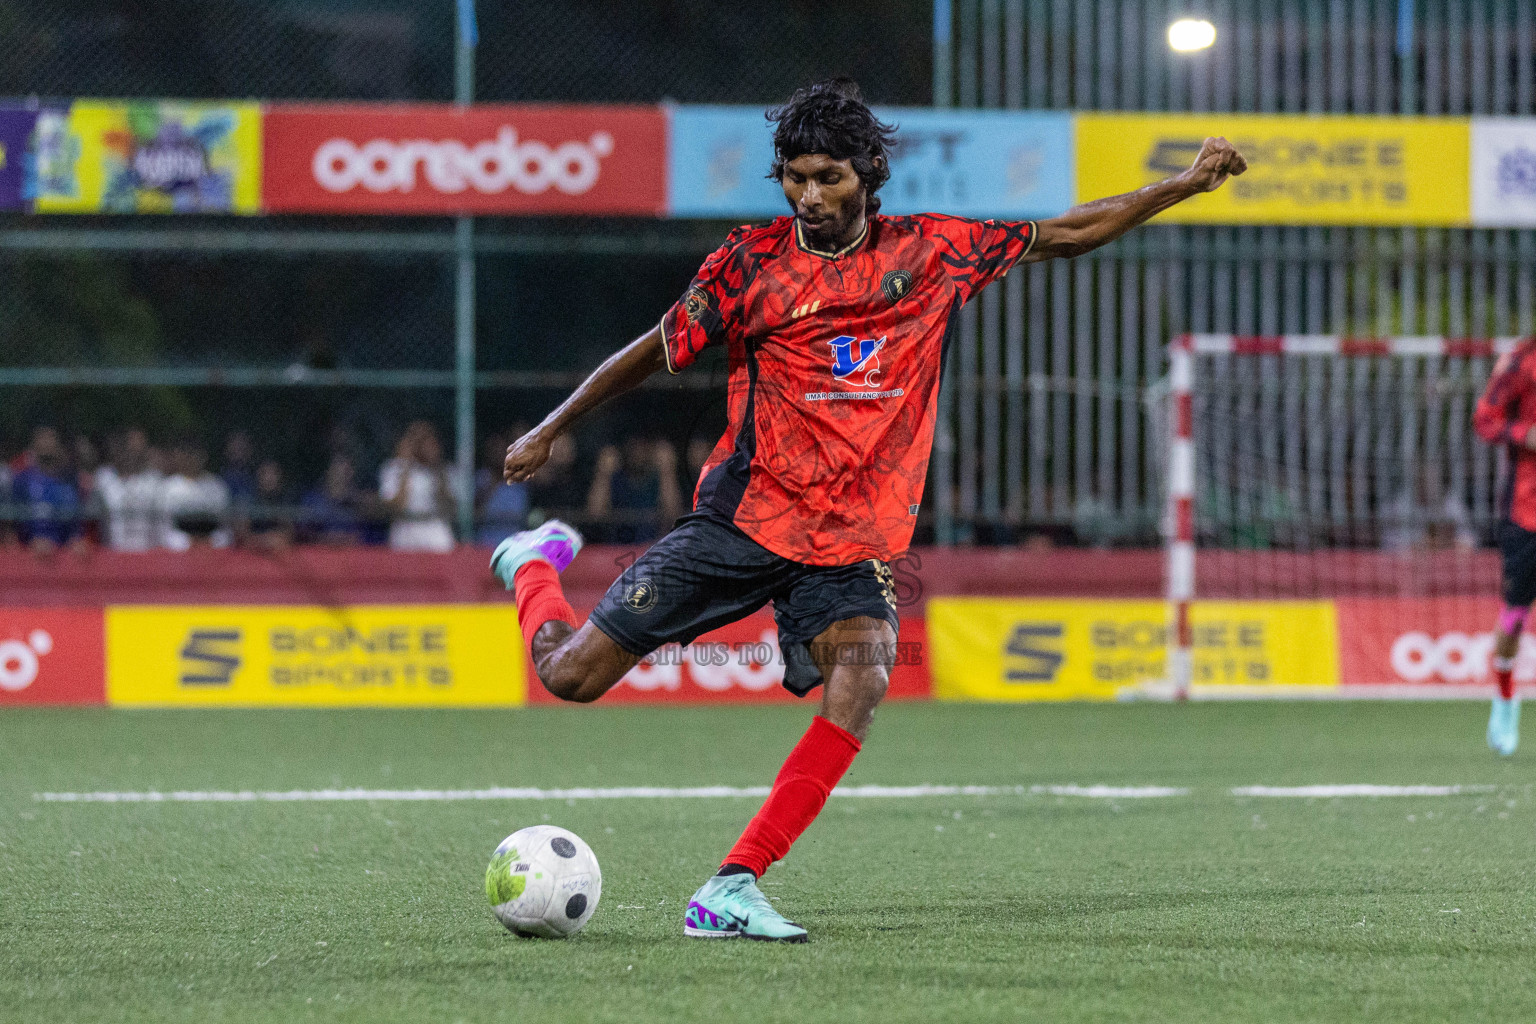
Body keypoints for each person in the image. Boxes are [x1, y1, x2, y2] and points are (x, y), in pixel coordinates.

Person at [488, 77, 1247, 941]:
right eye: (796, 177)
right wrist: (553, 427)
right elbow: (655, 349)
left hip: (850, 543)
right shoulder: (751, 265)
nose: (810, 195)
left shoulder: (934, 253)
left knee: (864, 676)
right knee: (569, 678)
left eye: (829, 178)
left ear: (869, 174)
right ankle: (533, 565)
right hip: (744, 521)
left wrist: (1181, 185)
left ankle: (731, 886)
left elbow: (1069, 232)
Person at [1473, 344, 1536, 755]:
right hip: (1526, 512)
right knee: (1514, 618)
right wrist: (1524, 434)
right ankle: (1505, 697)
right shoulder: (1521, 361)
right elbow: (1484, 419)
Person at [585, 437, 683, 544]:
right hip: (615, 550)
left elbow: (673, 515)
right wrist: (603, 474)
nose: (638, 452)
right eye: (633, 446)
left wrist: (667, 471)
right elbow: (595, 515)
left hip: (652, 549)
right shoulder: (616, 477)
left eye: (642, 446)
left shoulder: (658, 479)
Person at [380, 420, 457, 552]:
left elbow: (450, 507)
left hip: (434, 526)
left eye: (426, 439)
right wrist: (405, 464)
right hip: (405, 527)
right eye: (416, 440)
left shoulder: (446, 471)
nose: (421, 445)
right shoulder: (393, 468)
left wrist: (435, 466)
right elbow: (397, 506)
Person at [10, 426, 80, 555]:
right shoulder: (22, 480)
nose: (47, 443)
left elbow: (74, 524)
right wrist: (30, 542)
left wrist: (76, 541)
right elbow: (12, 524)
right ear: (34, 444)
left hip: (63, 555)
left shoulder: (69, 481)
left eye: (50, 438)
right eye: (42, 438)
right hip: (30, 554)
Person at [96, 427, 163, 551]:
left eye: (140, 446)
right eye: (129, 445)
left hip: (147, 553)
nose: (134, 451)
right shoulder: (103, 479)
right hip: (113, 554)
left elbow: (162, 525)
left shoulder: (155, 481)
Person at [157, 440, 232, 550]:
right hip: (180, 540)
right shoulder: (169, 487)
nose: (192, 459)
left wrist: (206, 540)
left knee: (224, 539)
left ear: (204, 457)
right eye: (188, 455)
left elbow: (224, 523)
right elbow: (165, 525)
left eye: (196, 455)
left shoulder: (216, 485)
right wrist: (191, 540)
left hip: (211, 540)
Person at [299, 453, 370, 546]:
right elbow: (303, 532)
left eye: (347, 469)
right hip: (319, 552)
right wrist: (327, 539)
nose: (343, 474)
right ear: (329, 470)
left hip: (352, 553)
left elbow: (368, 533)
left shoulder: (359, 501)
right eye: (338, 467)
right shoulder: (313, 499)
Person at [476, 432, 529, 546]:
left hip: (514, 543)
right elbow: (474, 512)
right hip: (484, 544)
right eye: (494, 450)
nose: (498, 455)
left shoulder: (520, 479)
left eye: (501, 451)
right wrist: (491, 486)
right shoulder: (481, 478)